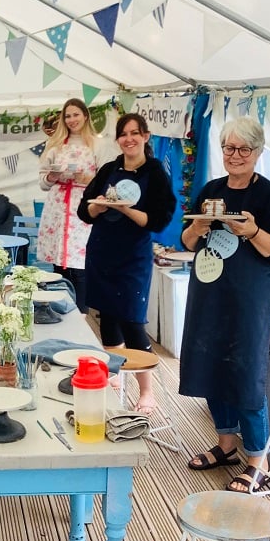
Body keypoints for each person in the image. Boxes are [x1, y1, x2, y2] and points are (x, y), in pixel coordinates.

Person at [180, 116, 270, 493]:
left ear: (258, 152)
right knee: (212, 366)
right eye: (229, 148)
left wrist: (252, 231)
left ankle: (256, 460)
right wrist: (196, 229)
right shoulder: (211, 189)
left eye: (243, 149)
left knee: (246, 375)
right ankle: (226, 445)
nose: (235, 155)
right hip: (209, 293)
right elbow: (187, 242)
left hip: (249, 298)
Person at [77, 113, 176, 412]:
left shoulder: (156, 172)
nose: (129, 139)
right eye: (123, 134)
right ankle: (114, 375)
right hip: (102, 251)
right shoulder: (109, 168)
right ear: (118, 139)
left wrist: (126, 209)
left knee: (133, 321)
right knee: (107, 316)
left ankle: (147, 391)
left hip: (133, 256)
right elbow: (85, 210)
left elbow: (157, 221)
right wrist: (98, 205)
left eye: (135, 133)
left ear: (146, 136)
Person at [36, 98, 117, 312]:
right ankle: (57, 311)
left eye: (76, 114)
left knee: (80, 263)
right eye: (68, 116)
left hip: (83, 208)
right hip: (58, 208)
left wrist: (87, 178)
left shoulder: (98, 144)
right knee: (58, 264)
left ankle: (81, 313)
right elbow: (43, 183)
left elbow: (108, 182)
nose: (72, 120)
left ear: (85, 116)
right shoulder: (54, 144)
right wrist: (53, 176)